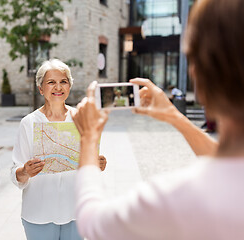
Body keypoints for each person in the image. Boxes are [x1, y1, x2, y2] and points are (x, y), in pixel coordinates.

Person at [71, 0, 244, 239]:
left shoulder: (176, 198)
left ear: (199, 77)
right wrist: (174, 116)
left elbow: (93, 223)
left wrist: (89, 138)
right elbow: (228, 163)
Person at [11, 59, 106, 240]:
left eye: (63, 81)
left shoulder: (81, 118)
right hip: (38, 213)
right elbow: (15, 173)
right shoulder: (28, 123)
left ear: (69, 86)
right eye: (51, 82)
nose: (58, 87)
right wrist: (24, 171)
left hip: (76, 211)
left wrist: (96, 165)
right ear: (41, 88)